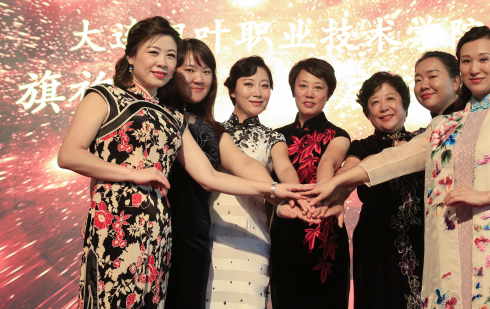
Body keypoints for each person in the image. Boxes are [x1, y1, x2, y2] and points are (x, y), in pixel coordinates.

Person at [58, 17, 311, 309]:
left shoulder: (173, 118)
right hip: (115, 221)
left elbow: (211, 177)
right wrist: (131, 175)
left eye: (170, 55)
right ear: (131, 56)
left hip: (159, 228)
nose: (162, 62)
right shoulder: (105, 96)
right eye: (154, 52)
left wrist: (275, 191)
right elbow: (70, 154)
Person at [304, 26, 490, 309]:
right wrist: (335, 182)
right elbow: (395, 159)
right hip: (449, 247)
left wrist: (484, 196)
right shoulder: (445, 124)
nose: (474, 68)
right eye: (466, 61)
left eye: (484, 59)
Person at [206, 56, 308, 308]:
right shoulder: (211, 131)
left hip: (254, 234)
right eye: (249, 84)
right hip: (212, 233)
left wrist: (296, 195)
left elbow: (285, 167)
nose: (258, 92)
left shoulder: (274, 137)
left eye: (265, 86)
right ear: (231, 90)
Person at [336, 71, 425, 309]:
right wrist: (334, 198)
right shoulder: (363, 146)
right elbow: (345, 178)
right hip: (375, 247)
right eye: (375, 102)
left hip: (421, 242)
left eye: (390, 98)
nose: (384, 107)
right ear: (368, 113)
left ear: (405, 104)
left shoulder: (424, 140)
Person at [270, 58, 351, 309]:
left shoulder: (339, 135)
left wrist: (320, 197)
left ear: (328, 94)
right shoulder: (276, 135)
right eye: (303, 85)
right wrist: (298, 199)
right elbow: (281, 170)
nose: (309, 93)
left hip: (325, 231)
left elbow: (328, 161)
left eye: (318, 87)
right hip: (287, 232)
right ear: (293, 89)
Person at [413, 51, 463, 118]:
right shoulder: (433, 124)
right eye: (418, 80)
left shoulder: (472, 119)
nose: (423, 86)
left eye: (432, 76)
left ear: (455, 82)